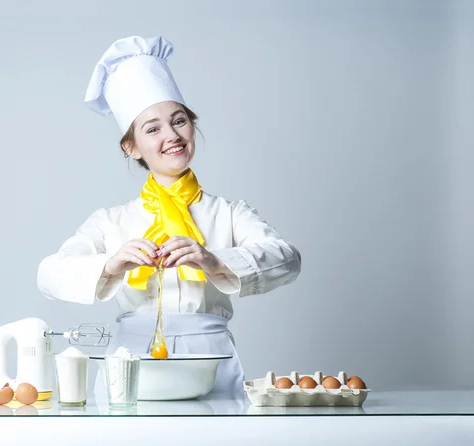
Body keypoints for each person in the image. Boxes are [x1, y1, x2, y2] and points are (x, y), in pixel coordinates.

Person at [37, 35, 301, 399]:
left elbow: (288, 259)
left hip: (212, 360)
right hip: (130, 365)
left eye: (179, 121)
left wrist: (214, 260)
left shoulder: (228, 213)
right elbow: (48, 275)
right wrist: (110, 265)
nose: (172, 136)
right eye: (152, 128)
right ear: (131, 148)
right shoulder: (111, 222)